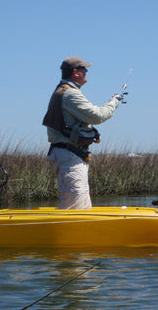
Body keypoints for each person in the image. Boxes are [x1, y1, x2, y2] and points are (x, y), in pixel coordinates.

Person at [43, 56, 123, 209]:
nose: (86, 71)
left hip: (70, 155)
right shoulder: (70, 93)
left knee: (83, 208)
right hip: (70, 158)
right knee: (74, 209)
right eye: (83, 69)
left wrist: (91, 133)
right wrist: (114, 102)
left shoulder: (63, 91)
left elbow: (72, 123)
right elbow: (98, 115)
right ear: (75, 73)